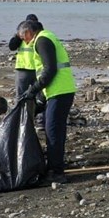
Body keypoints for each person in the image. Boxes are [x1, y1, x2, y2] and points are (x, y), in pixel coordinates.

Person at [17, 19, 77, 184]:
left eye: (24, 38)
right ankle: (56, 167)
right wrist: (40, 99)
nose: (25, 42)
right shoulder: (47, 37)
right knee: (55, 131)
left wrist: (32, 90)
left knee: (53, 132)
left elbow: (50, 70)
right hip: (58, 91)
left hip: (60, 91)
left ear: (28, 32)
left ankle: (57, 173)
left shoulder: (42, 40)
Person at [7, 13, 40, 99]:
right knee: (21, 97)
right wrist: (18, 37)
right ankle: (21, 112)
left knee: (37, 96)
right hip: (23, 69)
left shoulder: (38, 36)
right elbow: (12, 46)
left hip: (35, 70)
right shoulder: (21, 35)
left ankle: (34, 111)